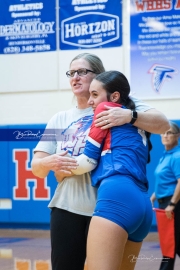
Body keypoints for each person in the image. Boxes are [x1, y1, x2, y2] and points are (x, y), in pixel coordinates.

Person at [31, 53, 169, 270]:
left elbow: (163, 124)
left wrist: (129, 116)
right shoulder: (59, 119)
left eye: (82, 72)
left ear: (99, 75)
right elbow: (36, 167)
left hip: (109, 204)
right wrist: (51, 163)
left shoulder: (122, 102)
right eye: (71, 73)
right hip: (69, 209)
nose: (75, 77)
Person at [70, 70, 153, 270]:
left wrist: (63, 167)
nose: (90, 101)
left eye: (95, 94)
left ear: (114, 96)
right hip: (142, 203)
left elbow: (87, 161)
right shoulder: (136, 116)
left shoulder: (106, 109)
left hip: (117, 196)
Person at [150, 122, 180, 270]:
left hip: (173, 204)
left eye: (170, 133)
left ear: (178, 136)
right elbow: (165, 181)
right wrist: (153, 198)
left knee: (171, 243)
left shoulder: (177, 156)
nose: (165, 136)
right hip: (164, 203)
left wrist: (172, 204)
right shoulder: (166, 155)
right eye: (163, 133)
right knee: (172, 243)